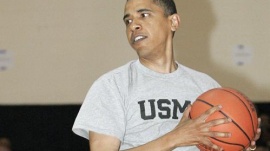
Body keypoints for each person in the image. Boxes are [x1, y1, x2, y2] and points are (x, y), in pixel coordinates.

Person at [72, 0, 261, 150]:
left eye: (144, 15)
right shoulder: (112, 85)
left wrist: (241, 141)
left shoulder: (206, 86)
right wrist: (175, 138)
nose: (133, 25)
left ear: (173, 22)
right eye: (128, 20)